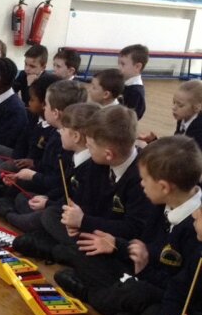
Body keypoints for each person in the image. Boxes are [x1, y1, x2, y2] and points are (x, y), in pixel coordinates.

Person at [94, 136, 202, 315]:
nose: (141, 183)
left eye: (144, 179)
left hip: (170, 296)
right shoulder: (162, 203)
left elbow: (179, 289)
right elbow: (148, 248)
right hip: (149, 277)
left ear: (164, 187)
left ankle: (95, 298)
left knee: (141, 299)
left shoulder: (196, 229)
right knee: (95, 257)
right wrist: (121, 247)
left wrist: (144, 271)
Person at [54, 105, 156, 297]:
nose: (88, 149)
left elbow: (134, 229)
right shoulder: (97, 164)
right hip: (98, 234)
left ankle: (97, 292)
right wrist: (76, 222)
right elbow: (87, 202)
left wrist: (84, 221)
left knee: (77, 256)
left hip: (121, 246)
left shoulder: (142, 179)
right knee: (59, 232)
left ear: (108, 154)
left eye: (91, 146)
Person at [12, 101, 110, 259]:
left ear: (76, 136)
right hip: (61, 209)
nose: (59, 133)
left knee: (47, 215)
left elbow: (80, 205)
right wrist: (47, 199)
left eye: (63, 129)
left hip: (75, 222)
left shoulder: (92, 168)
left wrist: (48, 204)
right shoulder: (76, 157)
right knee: (25, 199)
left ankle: (11, 216)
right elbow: (65, 190)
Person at [0, 80, 88, 231]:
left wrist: (38, 185)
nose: (43, 107)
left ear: (56, 113)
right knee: (23, 193)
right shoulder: (58, 135)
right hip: (51, 194)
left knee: (40, 211)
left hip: (57, 203)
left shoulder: (68, 145)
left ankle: (9, 212)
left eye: (46, 104)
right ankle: (6, 198)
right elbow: (48, 168)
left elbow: (60, 183)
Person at [139, 80, 202, 151]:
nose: (174, 108)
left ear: (197, 108)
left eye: (180, 105)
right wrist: (154, 141)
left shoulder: (199, 132)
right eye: (174, 102)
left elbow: (182, 153)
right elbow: (175, 145)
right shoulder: (183, 118)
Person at [118, 43, 149, 119]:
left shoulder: (135, 93)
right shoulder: (123, 83)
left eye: (123, 64)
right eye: (118, 63)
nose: (119, 67)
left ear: (137, 67)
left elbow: (131, 118)